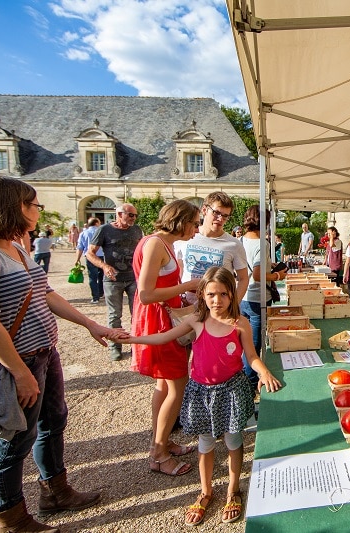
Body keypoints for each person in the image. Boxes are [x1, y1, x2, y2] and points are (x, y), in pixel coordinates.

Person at [0, 176, 127, 532]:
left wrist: (89, 325)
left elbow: (46, 293)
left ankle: (55, 493)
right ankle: (12, 520)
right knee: (14, 441)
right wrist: (20, 373)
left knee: (52, 424)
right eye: (34, 204)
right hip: (15, 364)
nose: (38, 211)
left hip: (43, 354)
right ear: (13, 205)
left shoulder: (14, 247)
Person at [121, 267, 282, 526]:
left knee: (233, 441)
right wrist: (131, 338)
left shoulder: (239, 323)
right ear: (202, 295)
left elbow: (251, 356)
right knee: (205, 444)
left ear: (232, 295)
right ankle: (206, 491)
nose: (217, 300)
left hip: (231, 391)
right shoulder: (196, 320)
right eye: (211, 294)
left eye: (223, 294)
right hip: (201, 394)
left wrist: (263, 371)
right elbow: (164, 337)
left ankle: (233, 490)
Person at [130, 200, 202, 477]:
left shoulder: (161, 243)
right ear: (181, 221)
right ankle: (158, 454)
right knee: (176, 385)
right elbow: (146, 293)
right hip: (159, 320)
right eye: (194, 223)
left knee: (164, 384)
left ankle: (161, 442)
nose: (196, 229)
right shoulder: (154, 245)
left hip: (163, 316)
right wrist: (187, 286)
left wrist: (178, 293)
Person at [87, 204, 143, 361]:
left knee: (137, 313)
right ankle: (115, 347)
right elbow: (90, 253)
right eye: (131, 215)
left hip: (133, 278)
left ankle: (136, 346)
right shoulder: (104, 230)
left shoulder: (136, 230)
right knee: (114, 315)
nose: (133, 218)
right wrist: (104, 266)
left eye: (135, 216)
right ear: (119, 214)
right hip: (112, 280)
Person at [240, 205, 287, 389]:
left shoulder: (241, 241)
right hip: (257, 299)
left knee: (244, 344)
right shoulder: (263, 243)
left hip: (242, 296)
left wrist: (270, 264)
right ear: (265, 222)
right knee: (254, 347)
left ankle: (245, 380)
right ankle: (250, 387)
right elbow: (258, 274)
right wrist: (277, 276)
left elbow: (250, 265)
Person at [175, 192, 249, 304]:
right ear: (204, 210)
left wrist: (232, 307)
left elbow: (243, 279)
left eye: (225, 216)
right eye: (216, 213)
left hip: (217, 309)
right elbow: (177, 271)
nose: (220, 219)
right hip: (185, 307)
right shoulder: (185, 237)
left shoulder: (234, 244)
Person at [75, 218, 105, 303]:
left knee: (93, 277)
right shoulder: (101, 232)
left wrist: (77, 259)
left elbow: (80, 247)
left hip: (90, 257)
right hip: (102, 256)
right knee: (102, 276)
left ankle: (95, 297)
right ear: (96, 223)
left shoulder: (84, 233)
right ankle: (101, 293)